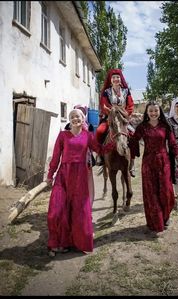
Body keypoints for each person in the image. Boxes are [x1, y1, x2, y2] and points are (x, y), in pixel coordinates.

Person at [46, 108, 114, 256]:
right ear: (70, 120)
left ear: (83, 119)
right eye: (72, 117)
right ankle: (59, 242)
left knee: (79, 211)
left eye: (78, 116)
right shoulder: (63, 136)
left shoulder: (88, 136)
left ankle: (78, 241)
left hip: (80, 177)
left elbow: (99, 149)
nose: (75, 119)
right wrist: (51, 174)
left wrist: (113, 143)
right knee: (56, 210)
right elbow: (56, 156)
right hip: (64, 175)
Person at [130, 100, 178, 236]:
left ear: (160, 112)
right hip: (148, 163)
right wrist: (132, 157)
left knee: (166, 191)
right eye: (151, 110)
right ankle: (154, 221)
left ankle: (166, 216)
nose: (153, 113)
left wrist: (177, 156)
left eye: (156, 110)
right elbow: (134, 141)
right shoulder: (142, 127)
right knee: (151, 193)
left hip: (163, 162)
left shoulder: (165, 126)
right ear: (147, 112)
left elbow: (172, 142)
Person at [95, 68, 136, 177]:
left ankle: (132, 162)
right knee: (99, 131)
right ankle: (100, 156)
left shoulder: (126, 91)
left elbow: (130, 105)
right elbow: (104, 105)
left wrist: (126, 114)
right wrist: (112, 112)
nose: (116, 79)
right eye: (113, 78)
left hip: (124, 118)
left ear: (120, 79)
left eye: (118, 77)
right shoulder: (106, 92)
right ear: (110, 79)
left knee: (133, 134)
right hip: (110, 117)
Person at [64, 104, 95, 206]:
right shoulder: (68, 126)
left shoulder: (89, 126)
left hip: (86, 157)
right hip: (72, 159)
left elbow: (92, 141)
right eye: (74, 115)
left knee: (88, 180)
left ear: (84, 115)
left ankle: (88, 204)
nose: (76, 118)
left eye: (82, 112)